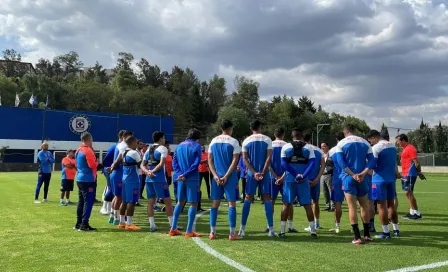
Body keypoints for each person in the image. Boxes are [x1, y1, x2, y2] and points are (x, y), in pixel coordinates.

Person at [335, 124, 375, 244]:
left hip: (349, 177)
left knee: (352, 207)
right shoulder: (365, 142)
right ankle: (367, 235)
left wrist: (352, 174)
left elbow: (341, 162)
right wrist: (363, 173)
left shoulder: (341, 143)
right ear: (354, 131)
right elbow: (372, 160)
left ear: (345, 132)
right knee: (364, 206)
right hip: (362, 178)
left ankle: (357, 237)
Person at [239, 120, 276, 237]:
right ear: (260, 127)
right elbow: (269, 157)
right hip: (264, 174)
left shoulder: (246, 141)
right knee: (267, 198)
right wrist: (263, 172)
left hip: (251, 174)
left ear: (251, 128)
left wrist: (254, 172)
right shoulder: (267, 139)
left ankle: (242, 229)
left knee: (248, 198)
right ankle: (271, 229)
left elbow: (244, 159)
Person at [280, 128, 317, 238]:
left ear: (292, 136)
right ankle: (313, 232)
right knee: (307, 205)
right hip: (303, 180)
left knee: (286, 204)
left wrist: (295, 174)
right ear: (301, 136)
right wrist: (302, 175)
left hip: (290, 179)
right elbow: (312, 164)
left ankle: (282, 231)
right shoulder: (308, 147)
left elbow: (283, 164)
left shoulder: (286, 147)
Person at [208, 120, 241, 240]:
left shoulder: (213, 141)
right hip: (230, 177)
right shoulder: (234, 141)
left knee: (214, 204)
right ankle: (232, 234)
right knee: (231, 204)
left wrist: (215, 175)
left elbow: (209, 160)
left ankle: (212, 232)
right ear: (230, 128)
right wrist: (226, 176)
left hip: (216, 177)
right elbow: (235, 160)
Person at [169, 128, 203, 238]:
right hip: (191, 178)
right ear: (197, 138)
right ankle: (189, 231)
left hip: (180, 178)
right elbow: (196, 163)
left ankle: (173, 228)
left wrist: (180, 174)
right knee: (193, 203)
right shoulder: (197, 146)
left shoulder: (179, 146)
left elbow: (174, 162)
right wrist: (186, 174)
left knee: (180, 202)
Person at [367, 130, 400, 238]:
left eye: (370, 140)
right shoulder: (392, 146)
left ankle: (386, 232)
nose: (371, 142)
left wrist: (363, 173)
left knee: (381, 206)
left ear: (374, 138)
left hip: (378, 180)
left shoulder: (376, 148)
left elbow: (372, 164)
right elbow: (394, 163)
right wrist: (397, 173)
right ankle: (396, 230)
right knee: (391, 205)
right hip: (391, 179)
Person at [141, 131, 175, 232]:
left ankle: (152, 225)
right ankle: (172, 225)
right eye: (164, 138)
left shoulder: (148, 150)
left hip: (149, 179)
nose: (164, 140)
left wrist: (147, 172)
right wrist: (152, 171)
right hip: (159, 179)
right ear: (160, 139)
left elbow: (142, 164)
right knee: (168, 201)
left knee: (151, 202)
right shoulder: (163, 148)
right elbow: (161, 164)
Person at [110, 136, 141, 231]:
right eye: (136, 142)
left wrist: (111, 169)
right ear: (132, 143)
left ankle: (121, 222)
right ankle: (129, 224)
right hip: (133, 180)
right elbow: (141, 165)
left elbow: (115, 163)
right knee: (132, 202)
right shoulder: (135, 153)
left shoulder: (123, 152)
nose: (137, 144)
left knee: (124, 201)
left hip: (124, 179)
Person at [269, 128, 297, 233]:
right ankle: (290, 226)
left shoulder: (270, 145)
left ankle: (269, 225)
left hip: (273, 177)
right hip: (286, 177)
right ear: (283, 134)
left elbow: (267, 163)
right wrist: (282, 177)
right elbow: (290, 164)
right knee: (288, 201)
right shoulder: (288, 145)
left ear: (274, 134)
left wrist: (275, 176)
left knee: (271, 201)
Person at [396, 134, 426, 220]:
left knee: (408, 192)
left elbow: (416, 162)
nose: (397, 143)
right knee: (408, 193)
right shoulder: (405, 149)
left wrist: (419, 172)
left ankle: (417, 213)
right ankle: (412, 212)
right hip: (405, 174)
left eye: (398, 141)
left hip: (410, 173)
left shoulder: (410, 148)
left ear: (403, 140)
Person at [74, 132, 99, 231]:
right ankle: (84, 224)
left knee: (81, 201)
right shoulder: (88, 150)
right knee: (88, 201)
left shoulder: (78, 149)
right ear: (89, 139)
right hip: (88, 179)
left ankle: (78, 223)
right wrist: (98, 163)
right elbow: (92, 165)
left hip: (79, 178)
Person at [107, 130, 133, 225]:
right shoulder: (124, 146)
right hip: (119, 174)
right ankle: (117, 218)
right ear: (125, 137)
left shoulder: (119, 144)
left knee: (116, 197)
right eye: (130, 138)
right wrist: (113, 166)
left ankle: (112, 216)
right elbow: (119, 158)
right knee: (120, 197)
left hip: (116, 173)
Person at [304, 133, 325, 231]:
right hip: (315, 180)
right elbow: (323, 166)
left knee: (307, 203)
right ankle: (317, 223)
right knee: (315, 202)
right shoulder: (319, 150)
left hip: (305, 180)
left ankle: (311, 225)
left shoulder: (303, 150)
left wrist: (304, 178)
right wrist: (317, 178)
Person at [320, 142, 334, 211]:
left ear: (327, 147)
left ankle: (333, 206)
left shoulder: (331, 154)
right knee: (325, 191)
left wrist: (329, 171)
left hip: (329, 175)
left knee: (330, 190)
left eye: (324, 146)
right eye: (321, 146)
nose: (322, 148)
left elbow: (334, 165)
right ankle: (327, 205)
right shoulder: (321, 155)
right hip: (322, 175)